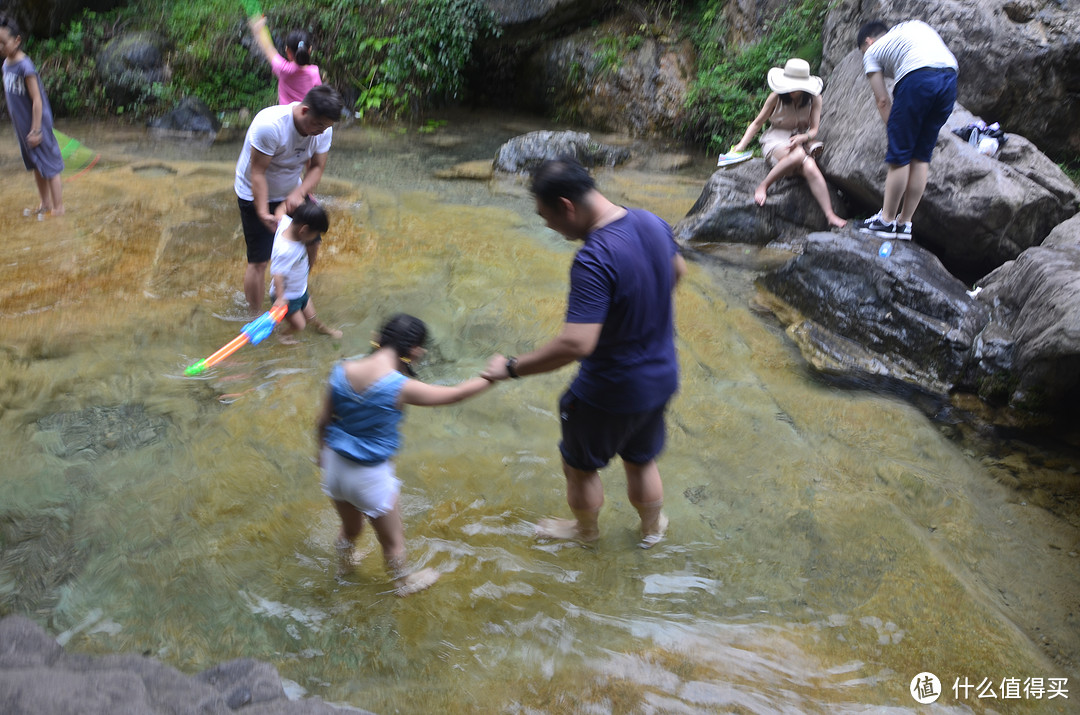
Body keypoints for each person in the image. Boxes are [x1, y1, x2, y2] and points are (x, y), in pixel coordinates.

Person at [482, 156, 687, 549]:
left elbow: (577, 344)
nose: (550, 228)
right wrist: (638, 311)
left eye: (547, 218)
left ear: (567, 207)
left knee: (578, 468)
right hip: (660, 377)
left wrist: (511, 368)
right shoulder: (651, 222)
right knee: (641, 459)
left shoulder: (595, 258)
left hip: (610, 389)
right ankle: (651, 530)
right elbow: (678, 273)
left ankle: (585, 533)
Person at [317, 314, 495, 595]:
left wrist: (320, 456)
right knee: (393, 543)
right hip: (369, 477)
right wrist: (492, 377)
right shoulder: (398, 387)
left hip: (335, 468)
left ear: (380, 337)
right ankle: (402, 582)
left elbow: (322, 421)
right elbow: (456, 395)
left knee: (350, 529)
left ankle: (344, 566)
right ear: (414, 351)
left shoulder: (342, 370)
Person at [234, 84, 343, 315]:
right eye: (319, 125)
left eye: (327, 127)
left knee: (313, 241)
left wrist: (299, 192)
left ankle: (295, 290)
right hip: (254, 192)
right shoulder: (270, 126)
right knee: (259, 260)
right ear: (304, 111)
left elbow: (316, 168)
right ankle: (255, 313)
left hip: (292, 190)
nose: (323, 132)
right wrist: (263, 212)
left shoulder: (323, 130)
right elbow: (258, 173)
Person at [856, 20, 958, 240]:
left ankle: (886, 220)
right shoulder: (912, 28)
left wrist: (896, 133)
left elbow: (882, 100)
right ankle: (905, 223)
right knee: (921, 157)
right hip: (950, 78)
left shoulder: (872, 51)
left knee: (900, 155)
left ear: (868, 41)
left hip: (918, 78)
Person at [729, 58, 846, 228]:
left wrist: (803, 138)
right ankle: (764, 185)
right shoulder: (776, 97)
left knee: (810, 166)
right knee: (799, 155)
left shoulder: (815, 99)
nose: (790, 89)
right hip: (775, 139)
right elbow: (757, 123)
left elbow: (814, 129)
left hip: (799, 140)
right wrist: (740, 147)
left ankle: (830, 215)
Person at [0, 14, 64, 217]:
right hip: (24, 127)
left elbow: (37, 100)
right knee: (36, 164)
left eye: (3, 43)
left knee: (50, 166)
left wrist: (37, 129)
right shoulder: (6, 65)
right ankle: (44, 204)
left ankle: (58, 208)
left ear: (17, 40)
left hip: (37, 126)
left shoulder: (25, 66)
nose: (0, 47)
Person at [269, 200, 342, 343]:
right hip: (288, 296)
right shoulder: (286, 250)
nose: (314, 238)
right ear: (304, 230)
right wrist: (280, 298)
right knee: (300, 325)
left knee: (312, 317)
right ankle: (283, 335)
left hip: (300, 289)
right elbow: (277, 274)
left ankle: (324, 329)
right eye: (314, 235)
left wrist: (286, 203)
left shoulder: (286, 223)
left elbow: (280, 213)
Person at [247, 14, 322, 106]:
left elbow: (269, 48)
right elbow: (318, 97)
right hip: (305, 118)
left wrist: (259, 30)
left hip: (285, 119)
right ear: (309, 50)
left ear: (288, 51)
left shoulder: (283, 69)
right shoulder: (314, 72)